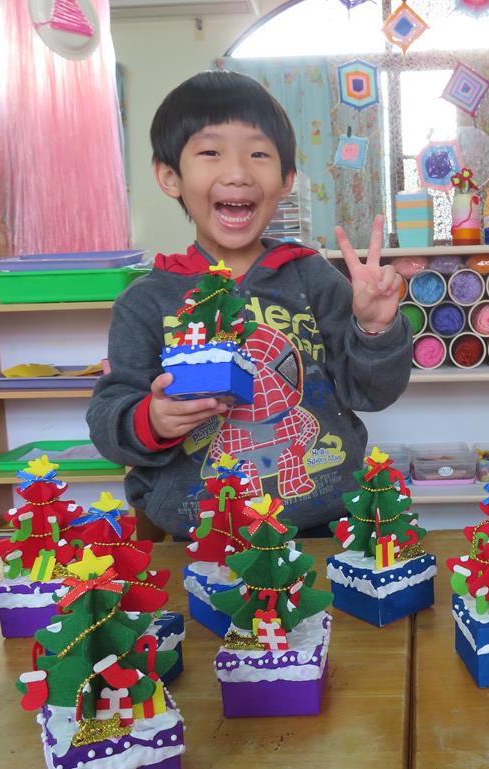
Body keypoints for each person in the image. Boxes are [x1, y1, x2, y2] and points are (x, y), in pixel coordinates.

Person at [87, 71, 412, 538]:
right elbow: (108, 420)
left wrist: (376, 329)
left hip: (322, 527)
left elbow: (372, 393)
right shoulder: (145, 301)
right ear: (170, 176)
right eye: (211, 152)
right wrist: (153, 419)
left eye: (259, 154)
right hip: (200, 536)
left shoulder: (312, 277)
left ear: (286, 179)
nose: (238, 172)